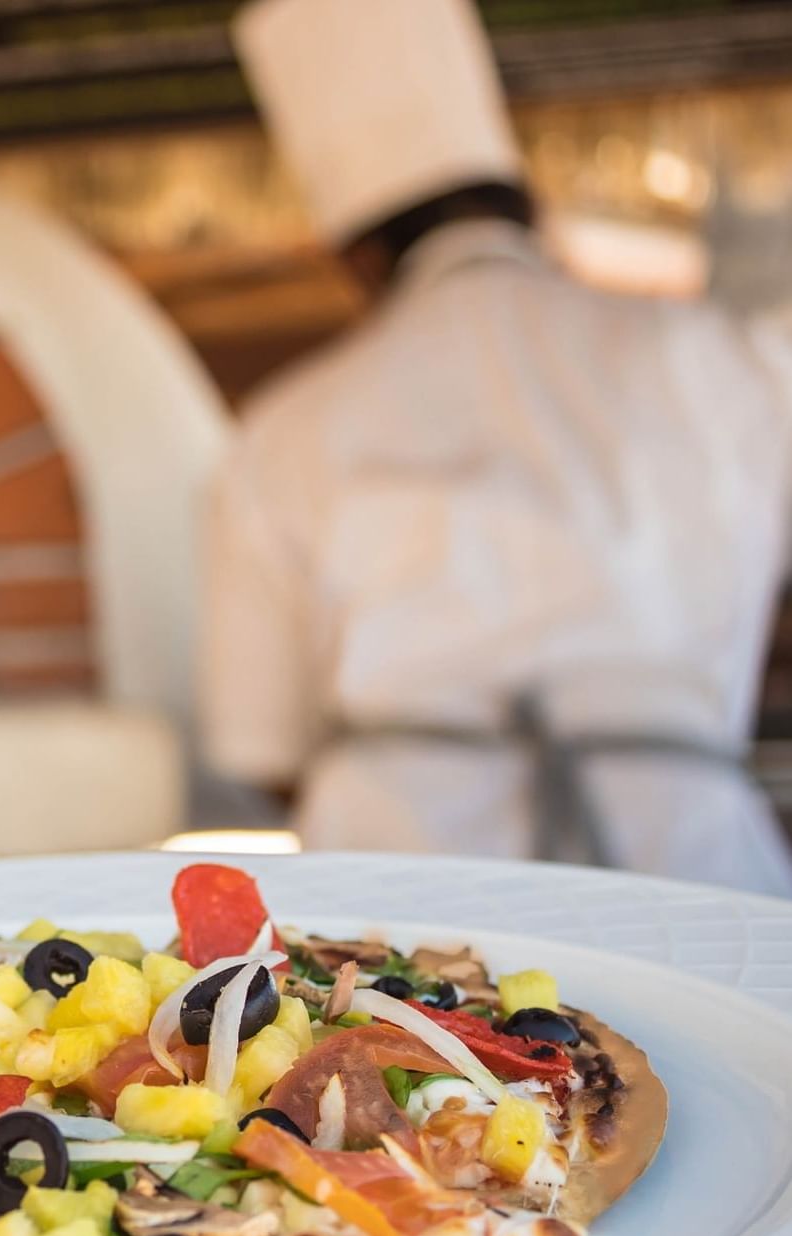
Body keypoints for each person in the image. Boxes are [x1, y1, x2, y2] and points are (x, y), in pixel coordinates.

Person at [201, 0, 792, 895]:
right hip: (686, 858)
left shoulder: (287, 422)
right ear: (529, 205)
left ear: (358, 256)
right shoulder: (716, 358)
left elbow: (262, 745)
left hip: (400, 873)